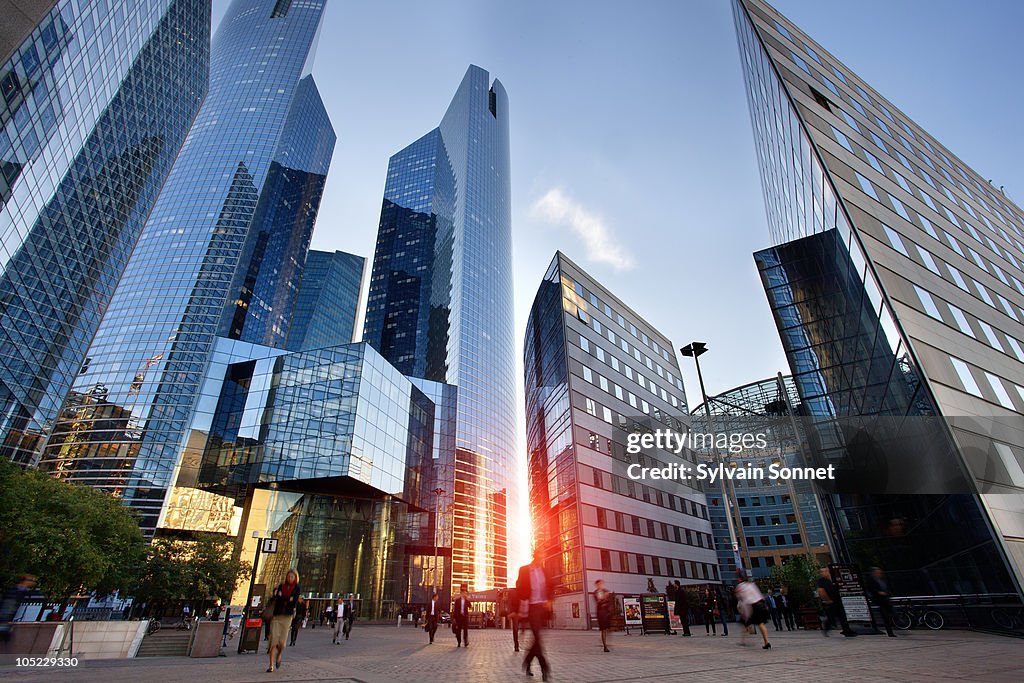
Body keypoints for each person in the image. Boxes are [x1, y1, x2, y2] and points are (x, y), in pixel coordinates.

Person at [517, 549, 554, 681]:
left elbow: (551, 587)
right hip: (532, 607)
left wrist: (549, 600)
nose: (542, 559)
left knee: (536, 640)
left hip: (543, 609)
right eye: (540, 556)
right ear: (535, 556)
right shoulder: (524, 570)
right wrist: (520, 609)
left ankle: (527, 662)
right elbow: (519, 588)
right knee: (538, 638)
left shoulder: (545, 571)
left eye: (543, 556)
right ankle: (545, 669)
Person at [267, 568, 302, 672]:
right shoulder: (281, 586)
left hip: (287, 617)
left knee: (282, 643)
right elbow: (278, 597)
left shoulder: (296, 588)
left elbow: (293, 600)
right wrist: (286, 598)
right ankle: (271, 665)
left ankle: (279, 655)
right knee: (273, 640)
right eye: (289, 576)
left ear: (295, 578)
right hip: (277, 616)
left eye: (292, 577)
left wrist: (283, 597)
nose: (290, 578)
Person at [735, 574, 771, 649]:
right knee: (761, 624)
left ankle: (744, 641)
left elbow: (745, 601)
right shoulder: (752, 584)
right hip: (760, 604)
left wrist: (745, 615)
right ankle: (766, 642)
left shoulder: (740, 587)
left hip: (752, 606)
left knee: (746, 624)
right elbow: (760, 596)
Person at [817, 567, 856, 637]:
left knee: (842, 615)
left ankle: (847, 630)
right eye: (821, 572)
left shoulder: (834, 578)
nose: (822, 573)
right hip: (830, 601)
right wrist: (827, 600)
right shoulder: (821, 580)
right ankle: (826, 628)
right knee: (831, 616)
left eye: (824, 571)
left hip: (838, 599)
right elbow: (821, 591)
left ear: (828, 571)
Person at [0, 575, 37, 642]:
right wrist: (5, 624)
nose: (34, 582)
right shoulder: (14, 592)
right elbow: (7, 608)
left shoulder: (24, 592)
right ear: (25, 581)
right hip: (4, 624)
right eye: (32, 580)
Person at [864, 567, 897, 637]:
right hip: (879, 600)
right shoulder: (870, 579)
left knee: (892, 612)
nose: (880, 573)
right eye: (878, 571)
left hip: (886, 599)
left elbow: (887, 587)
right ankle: (890, 632)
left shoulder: (882, 579)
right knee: (885, 616)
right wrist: (878, 592)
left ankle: (897, 621)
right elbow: (870, 589)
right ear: (874, 572)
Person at [594, 579, 614, 652]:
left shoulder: (606, 591)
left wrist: (610, 609)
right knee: (603, 629)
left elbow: (610, 601)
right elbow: (598, 601)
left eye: (601, 584)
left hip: (607, 612)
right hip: (601, 613)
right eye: (599, 584)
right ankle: (605, 646)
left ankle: (603, 640)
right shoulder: (596, 593)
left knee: (608, 629)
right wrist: (604, 598)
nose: (600, 585)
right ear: (596, 585)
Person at [507, 588, 522, 652]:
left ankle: (516, 646)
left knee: (515, 629)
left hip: (516, 612)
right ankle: (516, 646)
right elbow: (510, 603)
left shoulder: (513, 592)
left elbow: (511, 603)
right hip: (516, 613)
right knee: (515, 629)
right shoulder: (512, 592)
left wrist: (511, 612)